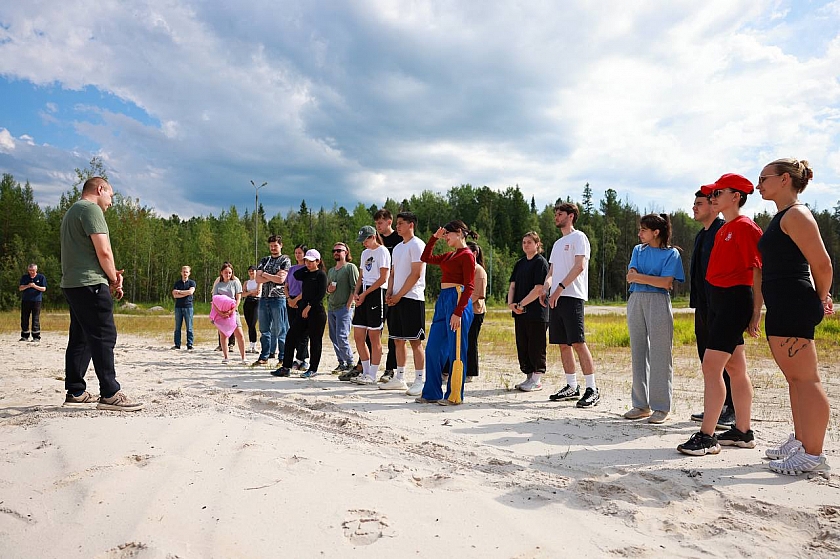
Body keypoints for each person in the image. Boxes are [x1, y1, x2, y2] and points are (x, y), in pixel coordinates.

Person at [757, 158, 833, 477]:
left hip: (794, 304)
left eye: (764, 178)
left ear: (785, 179)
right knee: (795, 380)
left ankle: (813, 454)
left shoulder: (798, 214)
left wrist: (819, 298)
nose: (758, 184)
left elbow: (823, 265)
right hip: (783, 305)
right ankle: (802, 443)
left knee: (807, 379)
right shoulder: (782, 216)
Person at [678, 174, 763, 456]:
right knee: (735, 369)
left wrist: (756, 312)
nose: (713, 198)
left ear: (736, 196)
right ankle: (743, 431)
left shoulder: (744, 226)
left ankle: (707, 436)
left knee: (711, 367)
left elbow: (757, 270)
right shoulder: (725, 227)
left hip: (734, 301)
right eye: (711, 194)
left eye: (718, 193)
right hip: (718, 301)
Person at [59, 177, 142, 411]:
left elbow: (86, 253)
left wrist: (110, 274)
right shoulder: (91, 209)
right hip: (90, 284)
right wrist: (114, 280)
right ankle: (110, 393)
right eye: (111, 196)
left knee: (81, 337)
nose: (111, 203)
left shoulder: (72, 211)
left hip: (72, 283)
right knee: (104, 336)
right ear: (100, 189)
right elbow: (104, 251)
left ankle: (75, 391)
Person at [623, 214, 685, 424]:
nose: (639, 233)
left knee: (660, 353)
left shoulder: (672, 254)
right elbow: (630, 273)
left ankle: (661, 407)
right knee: (638, 351)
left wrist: (638, 277)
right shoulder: (637, 250)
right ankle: (640, 405)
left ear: (655, 232)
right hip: (636, 300)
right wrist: (646, 278)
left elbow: (666, 283)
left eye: (643, 230)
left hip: (658, 302)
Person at [543, 202, 600, 408]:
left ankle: (592, 388)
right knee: (562, 344)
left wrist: (559, 288)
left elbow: (580, 266)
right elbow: (551, 271)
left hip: (572, 296)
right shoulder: (557, 244)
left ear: (571, 216)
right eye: (555, 214)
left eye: (560, 214)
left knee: (577, 342)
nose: (556, 217)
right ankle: (571, 386)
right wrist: (546, 288)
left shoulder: (579, 237)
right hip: (556, 297)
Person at [688, 191, 735, 428]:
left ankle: (732, 410)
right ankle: (715, 407)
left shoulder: (722, 231)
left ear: (713, 206)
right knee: (706, 359)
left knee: (725, 361)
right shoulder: (701, 235)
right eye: (694, 203)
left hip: (720, 304)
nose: (694, 207)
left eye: (699, 203)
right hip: (703, 306)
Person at [417, 220, 476, 405]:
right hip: (443, 300)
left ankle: (454, 395)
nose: (446, 238)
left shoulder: (467, 255)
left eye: (448, 234)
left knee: (456, 350)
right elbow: (425, 257)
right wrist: (434, 237)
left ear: (459, 232)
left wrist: (458, 312)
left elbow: (470, 286)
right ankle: (432, 393)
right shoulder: (450, 255)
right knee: (433, 348)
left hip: (457, 300)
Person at [384, 211, 427, 393]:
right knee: (397, 340)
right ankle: (399, 377)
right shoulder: (398, 247)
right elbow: (393, 273)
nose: (398, 226)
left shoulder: (417, 245)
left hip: (412, 298)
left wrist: (400, 294)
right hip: (397, 298)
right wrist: (390, 292)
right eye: (397, 223)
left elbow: (416, 273)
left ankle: (419, 379)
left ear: (411, 225)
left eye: (401, 223)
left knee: (415, 341)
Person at [273, 249, 328, 378]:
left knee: (315, 341)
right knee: (291, 336)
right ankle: (286, 367)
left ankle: (313, 368)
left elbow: (320, 295)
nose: (308, 264)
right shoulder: (305, 273)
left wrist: (309, 306)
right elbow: (296, 275)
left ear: (318, 261)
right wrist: (306, 267)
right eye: (306, 261)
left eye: (311, 261)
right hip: (302, 310)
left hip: (315, 311)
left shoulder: (321, 275)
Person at [508, 232, 549, 392]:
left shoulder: (541, 263)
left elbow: (538, 289)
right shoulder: (520, 263)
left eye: (529, 242)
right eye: (524, 242)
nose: (526, 245)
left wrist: (521, 303)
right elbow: (513, 285)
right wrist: (511, 303)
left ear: (537, 244)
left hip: (536, 313)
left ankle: (537, 379)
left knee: (536, 346)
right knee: (523, 345)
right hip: (520, 312)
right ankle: (528, 377)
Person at [349, 226, 391, 385]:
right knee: (359, 335)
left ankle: (373, 373)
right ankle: (365, 371)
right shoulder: (364, 253)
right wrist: (357, 293)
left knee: (374, 336)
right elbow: (361, 275)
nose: (364, 244)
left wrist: (366, 294)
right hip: (364, 292)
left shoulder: (383, 252)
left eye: (366, 240)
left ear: (373, 237)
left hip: (377, 292)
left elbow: (383, 278)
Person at [254, 234, 291, 366]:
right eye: (271, 246)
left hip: (278, 298)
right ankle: (264, 356)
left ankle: (282, 357)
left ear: (281, 245)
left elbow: (281, 280)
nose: (273, 248)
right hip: (264, 298)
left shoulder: (285, 260)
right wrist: (272, 276)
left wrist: (264, 274)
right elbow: (257, 279)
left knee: (281, 329)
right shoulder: (265, 260)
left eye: (275, 245)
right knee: (264, 329)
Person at [374, 209, 402, 382]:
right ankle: (367, 366)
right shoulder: (374, 240)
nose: (378, 226)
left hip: (393, 288)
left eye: (380, 223)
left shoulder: (398, 239)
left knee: (394, 331)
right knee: (374, 329)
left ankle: (390, 368)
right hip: (377, 289)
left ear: (389, 222)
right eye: (376, 223)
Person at [327, 242, 360, 378]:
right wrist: (329, 290)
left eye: (339, 250)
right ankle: (341, 362)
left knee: (342, 336)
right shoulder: (331, 271)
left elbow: (355, 287)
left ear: (346, 252)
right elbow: (328, 288)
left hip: (344, 308)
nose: (336, 252)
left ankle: (350, 362)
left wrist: (349, 305)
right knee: (333, 336)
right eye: (334, 250)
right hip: (332, 307)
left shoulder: (350, 268)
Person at [212, 262, 247, 363]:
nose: (228, 275)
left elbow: (238, 298)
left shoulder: (235, 283)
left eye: (230, 273)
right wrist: (220, 312)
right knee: (223, 335)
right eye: (226, 272)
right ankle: (226, 357)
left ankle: (244, 357)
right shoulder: (218, 285)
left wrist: (232, 310)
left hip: (233, 312)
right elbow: (214, 300)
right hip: (221, 312)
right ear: (221, 273)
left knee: (239, 334)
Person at [286, 244, 310, 370]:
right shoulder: (291, 269)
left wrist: (296, 300)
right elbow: (286, 285)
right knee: (294, 331)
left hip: (302, 301)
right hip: (290, 301)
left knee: (303, 332)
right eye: (296, 252)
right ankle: (298, 359)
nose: (297, 255)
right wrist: (289, 299)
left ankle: (303, 359)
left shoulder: (307, 269)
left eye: (300, 252)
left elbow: (307, 289)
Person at [466, 241, 487, 383]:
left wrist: (461, 306)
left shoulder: (479, 270)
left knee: (471, 341)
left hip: (475, 311)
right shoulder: (465, 268)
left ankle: (471, 372)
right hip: (465, 310)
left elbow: (477, 294)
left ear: (474, 253)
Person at [19, 263, 47, 342]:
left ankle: (36, 336)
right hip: (26, 300)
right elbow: (20, 288)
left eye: (33, 270)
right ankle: (25, 335)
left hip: (36, 301)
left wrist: (34, 286)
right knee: (24, 317)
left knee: (35, 318)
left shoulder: (41, 277)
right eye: (30, 270)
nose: (31, 272)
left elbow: (44, 289)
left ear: (36, 270)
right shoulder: (25, 277)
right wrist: (28, 286)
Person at [171, 265, 196, 350]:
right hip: (178, 307)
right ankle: (177, 344)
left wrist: (179, 292)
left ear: (189, 273)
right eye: (184, 271)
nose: (185, 273)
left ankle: (189, 344)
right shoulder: (177, 283)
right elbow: (174, 295)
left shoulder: (192, 283)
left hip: (188, 307)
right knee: (177, 327)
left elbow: (191, 292)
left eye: (187, 272)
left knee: (189, 326)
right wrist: (185, 293)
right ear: (181, 272)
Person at [242, 266, 261, 353]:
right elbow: (242, 294)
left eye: (253, 271)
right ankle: (251, 345)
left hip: (256, 302)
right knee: (249, 324)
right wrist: (250, 292)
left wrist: (248, 292)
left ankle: (255, 345)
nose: (251, 272)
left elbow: (258, 292)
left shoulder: (259, 281)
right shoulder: (246, 282)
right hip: (247, 303)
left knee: (253, 323)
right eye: (249, 271)